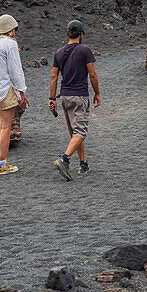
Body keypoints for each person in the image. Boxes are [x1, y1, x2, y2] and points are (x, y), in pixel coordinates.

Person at [48, 19, 100, 181]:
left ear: (68, 34)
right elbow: (92, 74)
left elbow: (54, 77)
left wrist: (52, 98)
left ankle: (83, 164)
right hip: (79, 96)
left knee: (75, 133)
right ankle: (64, 159)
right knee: (80, 132)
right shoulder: (85, 50)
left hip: (64, 97)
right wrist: (97, 93)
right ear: (81, 33)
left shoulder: (59, 53)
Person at [0, 14, 28, 175]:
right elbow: (16, 70)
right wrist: (21, 91)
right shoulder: (10, 44)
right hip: (5, 90)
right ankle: (3, 164)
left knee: (1, 123)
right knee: (7, 127)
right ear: (12, 29)